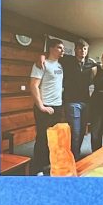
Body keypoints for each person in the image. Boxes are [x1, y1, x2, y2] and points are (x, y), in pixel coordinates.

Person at [25, 37, 65, 171]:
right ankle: (37, 168)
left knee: (53, 137)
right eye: (59, 47)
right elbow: (33, 85)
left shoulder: (60, 65)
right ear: (51, 49)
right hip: (45, 106)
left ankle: (48, 164)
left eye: (63, 48)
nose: (62, 50)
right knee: (42, 138)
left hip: (57, 106)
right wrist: (41, 106)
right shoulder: (41, 64)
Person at [64, 39, 94, 156]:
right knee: (75, 131)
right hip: (72, 102)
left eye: (85, 49)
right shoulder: (67, 61)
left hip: (85, 102)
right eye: (80, 48)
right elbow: (51, 56)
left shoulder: (90, 63)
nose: (82, 51)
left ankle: (76, 153)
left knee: (82, 131)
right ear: (75, 50)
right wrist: (41, 57)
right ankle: (73, 156)